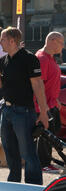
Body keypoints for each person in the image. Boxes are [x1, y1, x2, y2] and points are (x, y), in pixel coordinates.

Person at [0, 27, 50, 185]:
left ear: (12, 41)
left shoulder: (29, 58)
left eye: (2, 39)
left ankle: (33, 187)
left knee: (28, 152)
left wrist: (43, 112)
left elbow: (38, 86)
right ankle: (13, 185)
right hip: (6, 111)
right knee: (10, 153)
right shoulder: (3, 60)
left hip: (24, 112)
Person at [34, 32, 64, 173]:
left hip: (51, 104)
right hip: (44, 106)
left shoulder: (50, 58)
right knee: (45, 135)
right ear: (52, 41)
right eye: (61, 42)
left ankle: (46, 161)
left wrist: (55, 99)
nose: (63, 46)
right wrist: (42, 106)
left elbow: (50, 83)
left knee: (52, 132)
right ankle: (43, 164)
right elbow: (37, 84)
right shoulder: (42, 59)